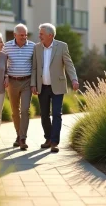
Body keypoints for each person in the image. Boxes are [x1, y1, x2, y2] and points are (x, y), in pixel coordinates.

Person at [31, 23, 79, 153]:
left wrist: (74, 79)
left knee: (57, 114)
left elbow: (69, 65)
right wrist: (33, 84)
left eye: (41, 34)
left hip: (57, 86)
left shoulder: (62, 46)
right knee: (44, 115)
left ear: (50, 35)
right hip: (43, 86)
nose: (39, 36)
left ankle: (54, 142)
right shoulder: (37, 48)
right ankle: (48, 138)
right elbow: (34, 67)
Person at [3, 23, 35, 150]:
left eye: (26, 34)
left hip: (27, 82)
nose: (24, 37)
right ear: (14, 35)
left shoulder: (32, 47)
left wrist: (34, 83)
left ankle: (23, 138)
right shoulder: (7, 46)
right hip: (12, 82)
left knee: (25, 110)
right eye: (21, 35)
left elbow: (36, 66)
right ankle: (18, 135)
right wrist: (5, 76)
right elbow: (2, 63)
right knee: (15, 111)